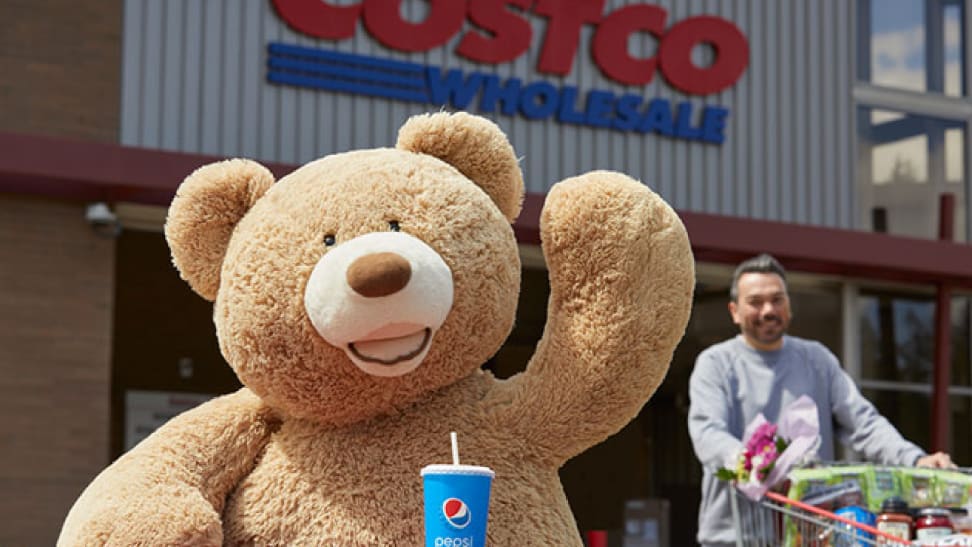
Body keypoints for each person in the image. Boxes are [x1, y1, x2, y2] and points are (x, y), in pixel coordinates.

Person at [687, 253, 955, 547]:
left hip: (806, 535)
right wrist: (758, 465)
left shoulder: (817, 360)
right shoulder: (715, 364)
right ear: (735, 311)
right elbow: (708, 434)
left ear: (789, 305)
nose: (768, 310)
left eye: (777, 300)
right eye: (755, 302)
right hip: (735, 536)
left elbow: (864, 424)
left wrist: (916, 460)